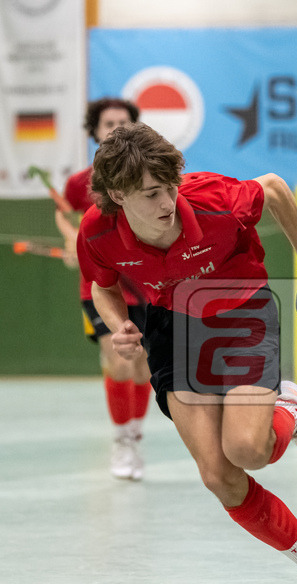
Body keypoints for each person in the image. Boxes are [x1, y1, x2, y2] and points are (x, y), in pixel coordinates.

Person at [77, 122, 297, 584]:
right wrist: (118, 324)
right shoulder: (97, 232)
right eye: (151, 194)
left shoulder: (213, 199)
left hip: (242, 312)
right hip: (172, 330)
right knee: (219, 475)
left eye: (169, 187)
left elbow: (272, 187)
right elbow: (102, 284)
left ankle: (292, 409)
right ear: (118, 194)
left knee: (248, 449)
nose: (167, 203)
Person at [54, 97, 151, 480]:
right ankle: (122, 441)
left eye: (123, 122)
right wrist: (69, 241)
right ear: (95, 130)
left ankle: (134, 434)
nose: (115, 128)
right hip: (100, 285)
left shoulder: (147, 178)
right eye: (108, 122)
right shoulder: (81, 182)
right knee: (117, 356)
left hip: (144, 284)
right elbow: (63, 212)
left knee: (142, 364)